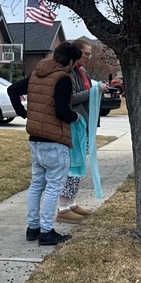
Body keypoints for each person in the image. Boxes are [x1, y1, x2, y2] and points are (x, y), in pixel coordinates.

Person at [7, 41, 84, 246]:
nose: (74, 67)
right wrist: (75, 118)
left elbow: (12, 90)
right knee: (53, 187)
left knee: (36, 185)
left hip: (35, 140)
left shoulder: (36, 74)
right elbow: (62, 111)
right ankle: (47, 232)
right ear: (69, 61)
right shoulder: (63, 78)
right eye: (75, 63)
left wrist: (23, 113)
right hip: (55, 141)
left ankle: (33, 228)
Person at [57, 38, 104, 223]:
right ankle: (62, 207)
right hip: (73, 125)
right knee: (71, 164)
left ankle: (71, 203)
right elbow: (71, 98)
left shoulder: (82, 71)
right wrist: (94, 91)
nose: (88, 57)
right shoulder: (68, 73)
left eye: (90, 54)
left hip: (83, 123)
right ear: (75, 53)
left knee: (79, 164)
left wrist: (96, 90)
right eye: (86, 54)